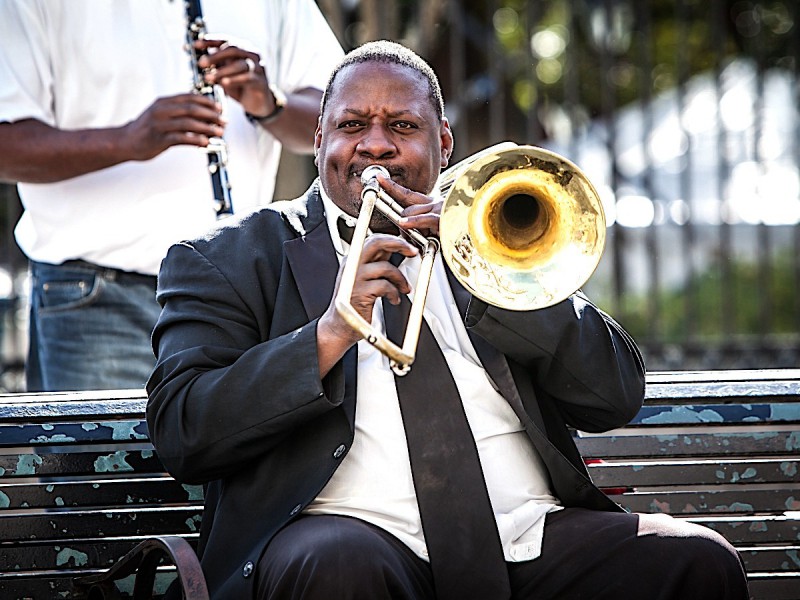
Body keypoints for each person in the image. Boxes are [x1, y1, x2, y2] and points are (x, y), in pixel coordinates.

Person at [146, 40, 750, 599]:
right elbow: (184, 431)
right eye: (352, 125)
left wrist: (497, 277)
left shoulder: (494, 245)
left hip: (527, 536)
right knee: (338, 563)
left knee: (697, 560)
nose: (376, 144)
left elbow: (614, 396)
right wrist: (329, 333)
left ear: (444, 143)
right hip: (347, 537)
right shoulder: (225, 258)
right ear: (321, 138)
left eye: (403, 127)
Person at [0, 0, 343, 392]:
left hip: (238, 289)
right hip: (99, 298)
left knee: (239, 449)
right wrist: (126, 140)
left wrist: (269, 103)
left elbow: (337, 118)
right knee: (107, 454)